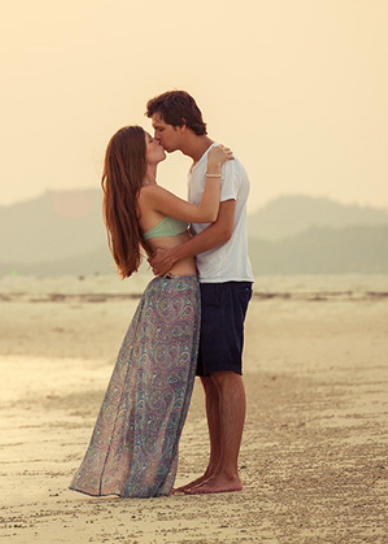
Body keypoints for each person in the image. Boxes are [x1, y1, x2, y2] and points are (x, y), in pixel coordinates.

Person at [70, 125, 232, 498]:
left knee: (161, 393)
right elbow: (207, 211)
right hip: (175, 298)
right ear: (135, 155)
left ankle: (145, 478)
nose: (157, 141)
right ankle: (143, 480)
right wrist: (215, 165)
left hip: (173, 296)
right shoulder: (148, 193)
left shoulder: (143, 193)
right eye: (149, 140)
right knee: (162, 395)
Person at [146, 90, 253, 495]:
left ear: (181, 124)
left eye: (160, 128)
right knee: (210, 378)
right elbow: (199, 226)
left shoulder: (221, 165)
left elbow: (221, 229)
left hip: (226, 280)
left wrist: (176, 252)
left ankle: (229, 473)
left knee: (226, 374)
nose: (157, 136)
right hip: (207, 281)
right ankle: (215, 470)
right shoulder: (200, 167)